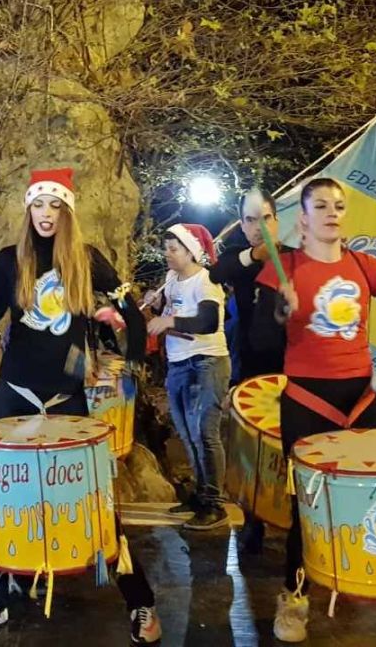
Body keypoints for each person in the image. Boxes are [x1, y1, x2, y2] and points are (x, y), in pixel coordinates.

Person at [252, 178, 376, 644]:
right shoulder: (283, 270)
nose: (332, 213)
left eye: (338, 206)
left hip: (361, 400)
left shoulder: (365, 265)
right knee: (306, 506)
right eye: (321, 205)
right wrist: (280, 312)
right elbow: (259, 345)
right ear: (303, 218)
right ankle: (294, 598)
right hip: (306, 402)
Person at [0, 168, 160, 645]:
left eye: (55, 206)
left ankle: (139, 600)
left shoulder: (87, 260)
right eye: (38, 205)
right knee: (4, 499)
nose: (46, 214)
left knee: (94, 498)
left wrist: (132, 358)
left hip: (67, 396)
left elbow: (131, 312)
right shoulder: (8, 261)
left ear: (67, 212)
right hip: (14, 393)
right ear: (28, 210)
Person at [209, 190, 288, 558]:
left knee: (291, 449)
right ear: (242, 225)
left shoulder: (295, 257)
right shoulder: (237, 260)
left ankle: (297, 520)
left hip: (293, 368)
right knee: (252, 453)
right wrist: (255, 255)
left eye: (266, 218)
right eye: (251, 220)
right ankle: (254, 522)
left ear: (277, 220)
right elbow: (218, 271)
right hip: (251, 369)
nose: (260, 227)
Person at [147, 223, 229, 530]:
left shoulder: (205, 280)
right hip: (179, 362)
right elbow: (171, 309)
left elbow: (208, 321)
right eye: (166, 249)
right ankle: (199, 494)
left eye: (174, 249)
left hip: (206, 362)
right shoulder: (171, 280)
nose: (167, 254)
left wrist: (169, 320)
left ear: (191, 251)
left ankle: (214, 503)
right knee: (186, 432)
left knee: (205, 433)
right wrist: (158, 304)